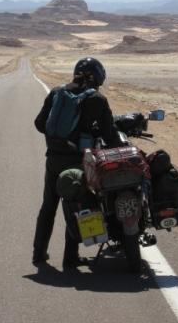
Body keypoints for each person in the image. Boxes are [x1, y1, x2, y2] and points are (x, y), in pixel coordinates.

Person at [32, 57, 121, 268]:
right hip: (78, 162)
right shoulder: (97, 99)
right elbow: (110, 135)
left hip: (53, 158)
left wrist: (59, 139)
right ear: (98, 76)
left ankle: (38, 253)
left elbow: (39, 123)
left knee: (49, 206)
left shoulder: (57, 92)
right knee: (77, 206)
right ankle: (70, 258)